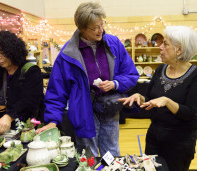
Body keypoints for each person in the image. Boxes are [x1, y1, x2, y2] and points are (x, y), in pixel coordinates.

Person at [36, 2, 139, 157]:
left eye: (102, 24)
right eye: (94, 27)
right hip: (84, 112)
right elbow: (57, 90)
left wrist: (115, 84)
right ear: (81, 28)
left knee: (111, 153)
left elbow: (131, 74)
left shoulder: (113, 44)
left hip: (110, 108)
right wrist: (52, 120)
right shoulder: (68, 54)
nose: (101, 30)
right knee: (88, 155)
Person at [119, 26, 197, 171]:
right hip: (154, 137)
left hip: (179, 142)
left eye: (165, 44)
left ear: (179, 49)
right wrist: (139, 97)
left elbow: (189, 113)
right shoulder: (160, 70)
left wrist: (167, 101)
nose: (160, 47)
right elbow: (150, 98)